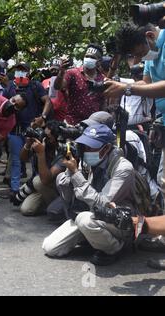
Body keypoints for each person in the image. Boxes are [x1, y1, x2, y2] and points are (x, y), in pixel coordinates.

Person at [42, 125, 136, 266]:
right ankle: (94, 238)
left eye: (92, 147)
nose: (86, 150)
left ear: (107, 148)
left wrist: (76, 174)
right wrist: (69, 170)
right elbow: (66, 194)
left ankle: (114, 248)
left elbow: (103, 203)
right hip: (91, 214)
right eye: (85, 146)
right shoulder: (88, 161)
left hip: (119, 220)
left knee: (84, 220)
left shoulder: (123, 168)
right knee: (50, 247)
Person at [8, 62, 52, 202]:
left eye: (23, 70)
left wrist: (43, 117)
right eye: (18, 70)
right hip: (16, 130)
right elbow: (2, 105)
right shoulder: (10, 87)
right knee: (16, 160)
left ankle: (34, 185)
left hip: (34, 129)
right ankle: (15, 189)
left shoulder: (35, 86)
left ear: (28, 71)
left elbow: (48, 101)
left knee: (35, 158)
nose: (20, 72)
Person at [14, 120, 67, 217]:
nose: (45, 138)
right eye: (44, 134)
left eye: (49, 137)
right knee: (26, 209)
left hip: (56, 189)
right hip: (40, 187)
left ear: (58, 138)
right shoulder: (42, 143)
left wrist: (41, 153)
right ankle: (45, 203)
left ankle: (57, 206)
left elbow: (45, 180)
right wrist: (27, 145)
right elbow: (23, 158)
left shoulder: (63, 152)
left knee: (38, 181)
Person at [54, 44, 106, 125]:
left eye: (92, 57)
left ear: (99, 61)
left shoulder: (102, 79)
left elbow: (103, 103)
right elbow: (57, 86)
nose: (88, 59)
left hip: (93, 126)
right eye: (87, 56)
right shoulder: (72, 73)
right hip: (72, 123)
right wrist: (61, 72)